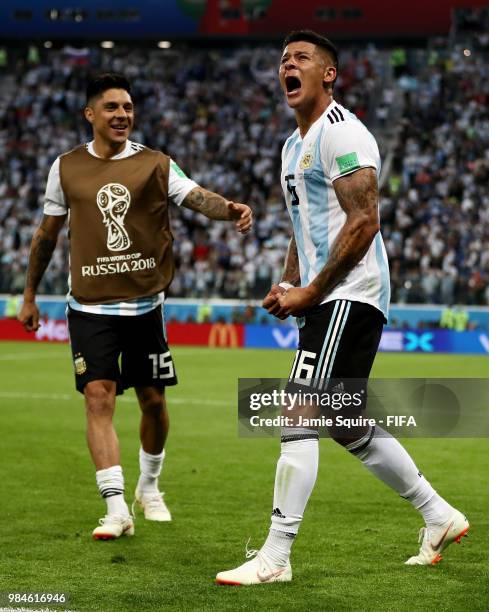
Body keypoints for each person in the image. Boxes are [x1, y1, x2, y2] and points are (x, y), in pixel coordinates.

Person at [216, 31, 468, 585]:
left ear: (328, 73)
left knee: (298, 410)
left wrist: (313, 290)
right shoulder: (292, 146)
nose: (289, 65)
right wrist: (289, 282)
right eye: (284, 60)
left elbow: (363, 220)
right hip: (327, 296)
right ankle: (438, 515)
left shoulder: (342, 132)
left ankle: (276, 557)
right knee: (345, 424)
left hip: (350, 294)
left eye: (301, 58)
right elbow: (306, 225)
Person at [19, 73, 252, 541]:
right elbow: (46, 236)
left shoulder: (156, 164)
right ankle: (115, 508)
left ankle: (149, 486)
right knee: (98, 397)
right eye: (111, 107)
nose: (122, 114)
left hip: (145, 307)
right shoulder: (65, 168)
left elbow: (195, 196)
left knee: (153, 401)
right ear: (90, 114)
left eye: (127, 107)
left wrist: (228, 209)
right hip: (89, 308)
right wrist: (29, 295)